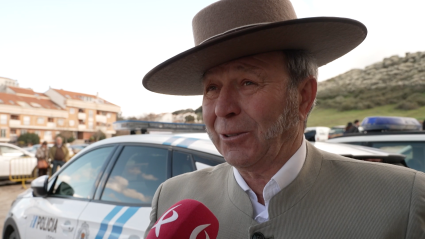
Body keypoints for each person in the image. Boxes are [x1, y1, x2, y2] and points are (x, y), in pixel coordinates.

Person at [143, 0, 425, 238]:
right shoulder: (171, 199)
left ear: (303, 95)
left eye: (247, 82)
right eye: (212, 89)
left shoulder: (404, 200)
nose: (222, 109)